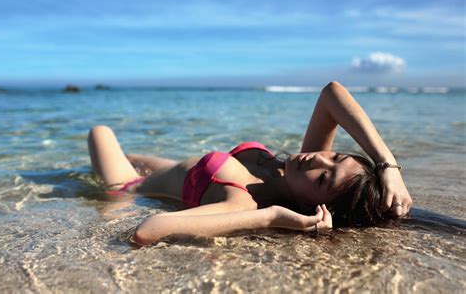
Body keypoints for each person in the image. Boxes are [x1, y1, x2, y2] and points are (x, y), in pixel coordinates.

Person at [87, 81, 412, 246]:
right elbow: (331, 94)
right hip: (178, 170)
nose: (319, 159)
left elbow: (147, 230)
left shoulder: (244, 201)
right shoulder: (295, 169)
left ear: (310, 205)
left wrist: (270, 217)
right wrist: (387, 165)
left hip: (129, 187)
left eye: (323, 180)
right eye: (336, 156)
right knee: (130, 152)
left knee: (100, 131)